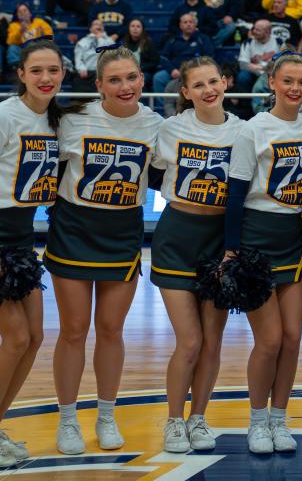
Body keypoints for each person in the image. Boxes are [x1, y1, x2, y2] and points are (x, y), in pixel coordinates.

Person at [44, 46, 163, 455]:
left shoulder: (156, 126)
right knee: (74, 330)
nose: (124, 86)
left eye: (131, 77)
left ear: (142, 79)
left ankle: (107, 414)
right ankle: (67, 418)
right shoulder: (73, 120)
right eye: (114, 79)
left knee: (111, 330)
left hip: (122, 231)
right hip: (74, 228)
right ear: (99, 85)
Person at [223, 53, 302, 454]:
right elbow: (235, 193)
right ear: (272, 82)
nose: (295, 89)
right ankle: (257, 420)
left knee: (293, 338)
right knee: (270, 340)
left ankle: (280, 419)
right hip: (257, 237)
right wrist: (232, 249)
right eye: (288, 81)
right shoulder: (253, 129)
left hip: (293, 238)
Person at [151, 57, 243, 453]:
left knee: (211, 342)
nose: (208, 90)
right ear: (185, 92)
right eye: (198, 85)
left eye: (214, 81)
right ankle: (174, 421)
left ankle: (199, 418)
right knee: (188, 341)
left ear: (225, 83)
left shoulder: (244, 131)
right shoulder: (169, 129)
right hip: (176, 236)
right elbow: (154, 174)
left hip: (219, 240)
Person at [0, 40, 65, 467]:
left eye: (53, 70)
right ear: (21, 73)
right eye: (37, 70)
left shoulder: (57, 120)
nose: (46, 78)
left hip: (23, 240)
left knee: (36, 337)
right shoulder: (6, 114)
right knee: (17, 337)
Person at [153, 13, 216, 109]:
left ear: (195, 25)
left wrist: (196, 71)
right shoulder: (172, 40)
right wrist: (172, 70)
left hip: (197, 73)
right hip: (175, 73)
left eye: (191, 22)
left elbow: (209, 57)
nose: (188, 24)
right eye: (185, 22)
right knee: (158, 78)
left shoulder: (203, 39)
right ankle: (164, 108)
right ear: (180, 25)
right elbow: (163, 58)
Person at [6, 3, 53, 69]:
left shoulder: (39, 22)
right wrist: (20, 31)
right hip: (21, 49)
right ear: (17, 15)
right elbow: (10, 42)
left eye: (25, 10)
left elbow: (50, 36)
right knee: (12, 48)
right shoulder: (13, 25)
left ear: (30, 13)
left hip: (37, 48)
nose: (22, 13)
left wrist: (43, 35)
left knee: (33, 45)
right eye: (19, 11)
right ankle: (16, 68)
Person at [73, 19, 115, 92]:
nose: (98, 26)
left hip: (105, 73)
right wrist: (81, 68)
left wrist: (100, 39)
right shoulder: (83, 41)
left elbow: (104, 54)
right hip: (87, 74)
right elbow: (78, 58)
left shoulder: (110, 41)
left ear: (103, 28)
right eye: (95, 24)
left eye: (100, 25)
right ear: (90, 28)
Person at [237, 19, 278, 94]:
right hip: (253, 73)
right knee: (242, 76)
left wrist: (267, 71)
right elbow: (243, 64)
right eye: (254, 29)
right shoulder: (248, 42)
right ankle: (246, 103)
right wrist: (263, 68)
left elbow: (285, 61)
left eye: (258, 30)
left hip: (273, 73)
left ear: (267, 32)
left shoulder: (278, 41)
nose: (254, 32)